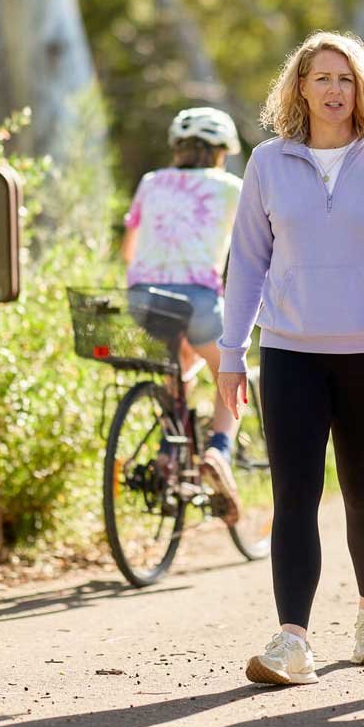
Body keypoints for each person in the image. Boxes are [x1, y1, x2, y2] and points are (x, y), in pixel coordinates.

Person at [216, 31, 364, 685]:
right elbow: (247, 264)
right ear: (299, 87)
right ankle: (293, 640)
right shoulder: (268, 164)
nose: (335, 90)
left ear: (362, 89)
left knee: (363, 494)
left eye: (346, 78)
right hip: (290, 352)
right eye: (322, 78)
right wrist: (231, 352)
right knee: (295, 495)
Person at [122, 106, 246, 524]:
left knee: (177, 369)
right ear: (221, 153)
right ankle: (218, 452)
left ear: (177, 149)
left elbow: (129, 248)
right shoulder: (232, 188)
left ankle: (165, 456)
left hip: (144, 299)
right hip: (197, 299)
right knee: (230, 371)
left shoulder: (151, 182)